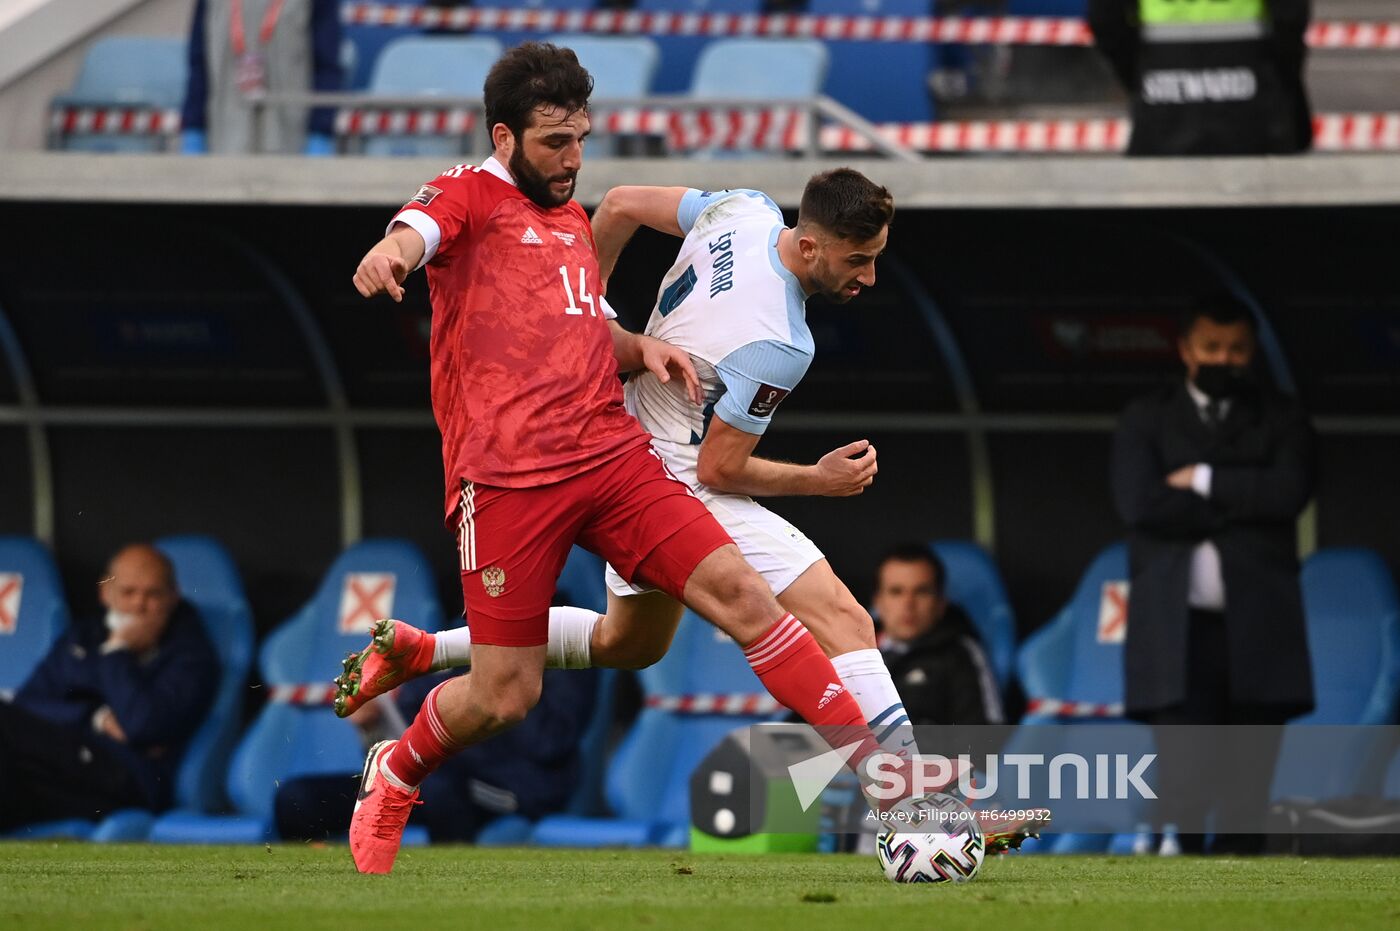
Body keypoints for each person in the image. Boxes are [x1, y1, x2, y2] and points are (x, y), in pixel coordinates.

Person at [341, 42, 938, 875]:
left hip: (614, 454)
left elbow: (580, 325)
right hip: (507, 479)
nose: (573, 160)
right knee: (507, 694)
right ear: (505, 138)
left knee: (740, 600)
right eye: (556, 142)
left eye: (581, 139)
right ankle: (399, 766)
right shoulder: (469, 191)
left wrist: (638, 346)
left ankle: (903, 798)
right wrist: (392, 253)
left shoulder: (571, 224)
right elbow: (418, 228)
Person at [1110, 295, 1315, 854]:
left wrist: (1203, 480)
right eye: (1212, 347)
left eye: (1237, 349)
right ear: (1186, 349)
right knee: (1184, 781)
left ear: (1253, 352)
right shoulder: (1147, 418)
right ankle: (1180, 876)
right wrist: (1245, 500)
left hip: (1260, 629)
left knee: (1247, 792)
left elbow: (1289, 493)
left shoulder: (1281, 416)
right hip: (1177, 634)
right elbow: (1140, 505)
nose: (1224, 359)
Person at [0, 544, 218, 831]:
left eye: (153, 594)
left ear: (173, 596)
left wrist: (117, 650)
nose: (139, 605)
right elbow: (26, 705)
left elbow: (142, 725)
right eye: (128, 592)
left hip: (126, 778)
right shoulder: (84, 636)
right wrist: (97, 718)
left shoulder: (192, 655)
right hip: (59, 769)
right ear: (106, 593)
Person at [276, 668, 598, 842]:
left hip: (516, 786)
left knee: (439, 788)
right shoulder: (465, 629)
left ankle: (448, 895)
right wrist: (373, 722)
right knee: (297, 799)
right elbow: (411, 717)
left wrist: (495, 688)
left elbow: (551, 741)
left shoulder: (565, 637)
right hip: (430, 775)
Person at [1086, 0, 1312, 155]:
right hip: (1251, 118)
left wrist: (1144, 78)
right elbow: (1290, 21)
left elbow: (1106, 20)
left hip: (1163, 115)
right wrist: (1276, 84)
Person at [180, 0, 342, 155]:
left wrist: (320, 131)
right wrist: (194, 128)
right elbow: (199, 62)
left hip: (288, 137)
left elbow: (327, 64)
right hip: (226, 135)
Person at [873, 544, 1003, 727]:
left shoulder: (960, 654)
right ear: (878, 602)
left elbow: (984, 735)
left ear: (941, 603)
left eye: (921, 592)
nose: (908, 603)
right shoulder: (850, 651)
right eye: (896, 592)